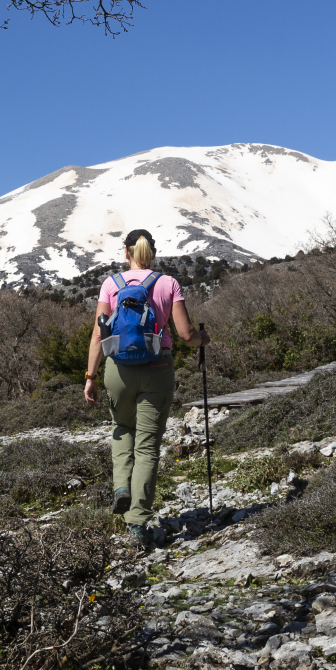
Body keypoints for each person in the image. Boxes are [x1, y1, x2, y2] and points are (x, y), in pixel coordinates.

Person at [83, 229, 209, 547]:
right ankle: (137, 523)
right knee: (148, 446)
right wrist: (202, 339)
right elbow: (184, 334)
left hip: (118, 371)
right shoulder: (168, 284)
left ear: (127, 253)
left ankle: (121, 487)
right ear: (152, 252)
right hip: (158, 369)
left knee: (122, 429)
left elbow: (99, 336)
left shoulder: (111, 285)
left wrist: (91, 376)